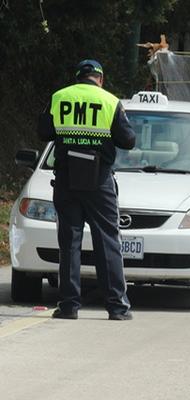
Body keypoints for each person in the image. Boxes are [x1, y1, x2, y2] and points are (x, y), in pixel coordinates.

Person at [37, 60, 136, 320]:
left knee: (69, 242)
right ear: (100, 80)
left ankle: (69, 306)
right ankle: (117, 307)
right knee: (107, 241)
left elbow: (43, 132)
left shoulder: (60, 97)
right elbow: (128, 140)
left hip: (67, 178)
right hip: (99, 180)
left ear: (78, 78)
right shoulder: (110, 101)